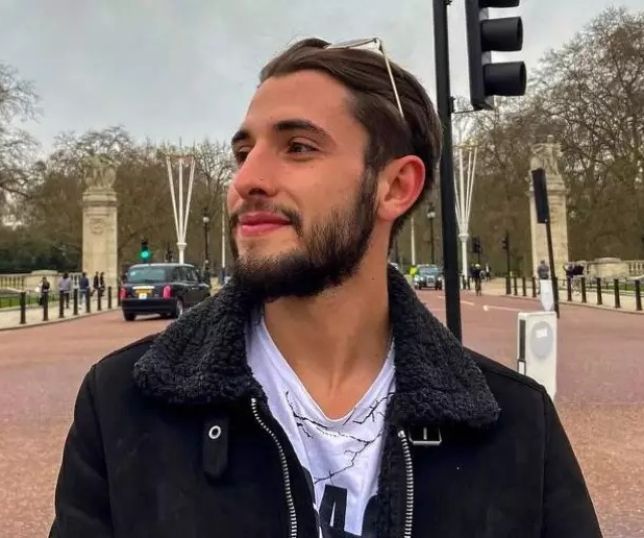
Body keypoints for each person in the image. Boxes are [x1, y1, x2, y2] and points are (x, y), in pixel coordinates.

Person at [50, 38, 601, 538]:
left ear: (396, 186)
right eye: (243, 153)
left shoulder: (517, 426)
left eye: (298, 147)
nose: (246, 180)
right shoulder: (122, 405)